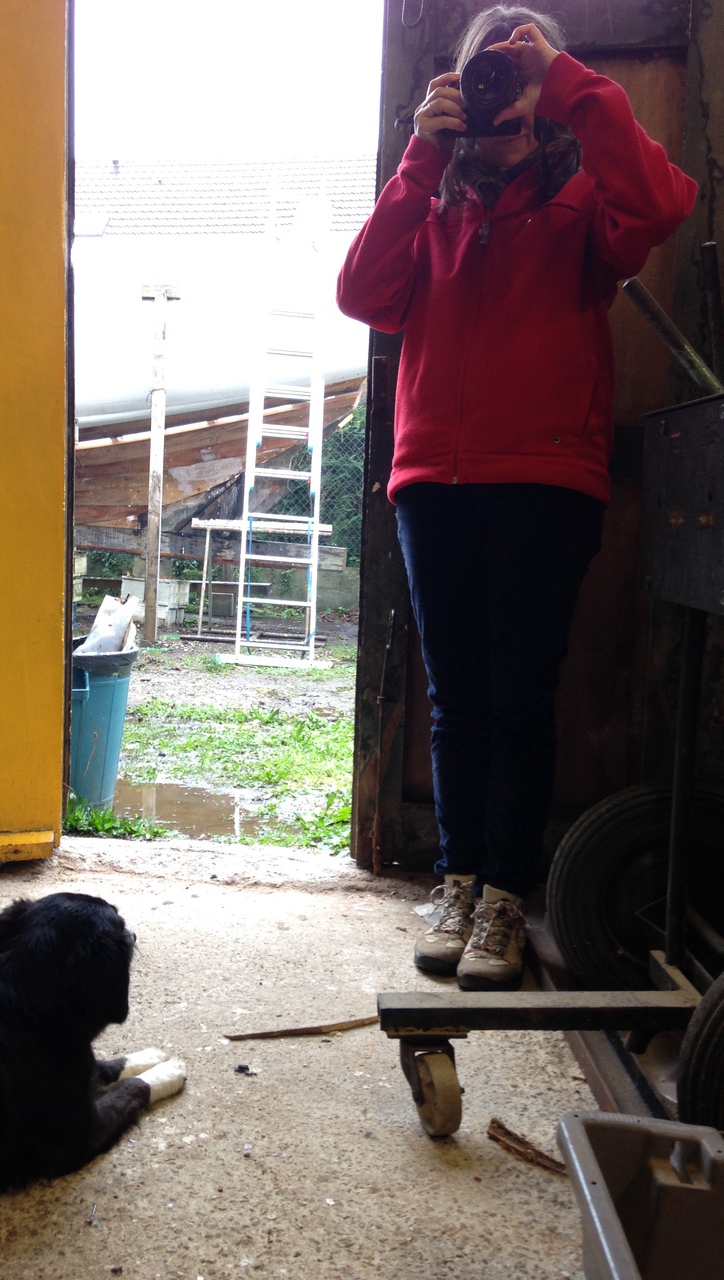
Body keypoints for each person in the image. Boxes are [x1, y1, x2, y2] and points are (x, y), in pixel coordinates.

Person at [336, 6, 697, 990]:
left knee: (520, 697)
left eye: (521, 66)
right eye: (486, 69)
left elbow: (663, 203)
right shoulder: (431, 198)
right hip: (435, 480)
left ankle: (504, 895)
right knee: (457, 698)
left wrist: (567, 87)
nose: (502, 85)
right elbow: (364, 294)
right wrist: (420, 155)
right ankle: (457, 882)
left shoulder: (585, 193)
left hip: (545, 478)